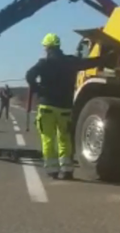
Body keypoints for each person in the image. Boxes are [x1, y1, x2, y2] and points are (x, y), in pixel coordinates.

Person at [25, 33, 114, 180]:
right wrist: (107, 57)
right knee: (64, 138)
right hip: (65, 108)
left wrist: (38, 89)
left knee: (48, 138)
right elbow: (89, 63)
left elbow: (29, 75)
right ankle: (67, 170)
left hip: (47, 106)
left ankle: (52, 170)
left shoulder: (44, 63)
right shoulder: (70, 62)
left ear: (47, 47)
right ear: (59, 46)